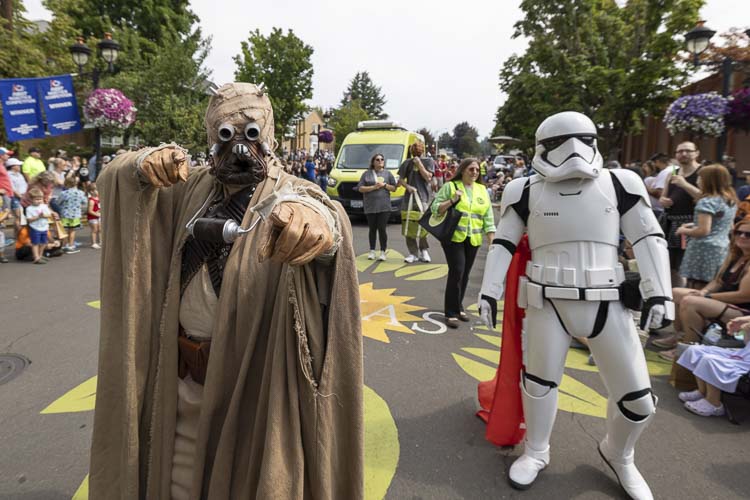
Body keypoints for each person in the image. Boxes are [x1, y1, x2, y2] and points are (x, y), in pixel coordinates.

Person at [88, 82, 363, 499]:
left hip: (252, 391)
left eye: (250, 133)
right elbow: (116, 177)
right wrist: (145, 163)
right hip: (183, 391)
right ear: (211, 136)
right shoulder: (188, 189)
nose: (238, 147)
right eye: (226, 133)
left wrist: (314, 224)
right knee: (177, 486)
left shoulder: (289, 193)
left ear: (266, 137)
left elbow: (322, 212)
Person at [479, 112, 673, 500]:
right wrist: (489, 290)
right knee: (538, 384)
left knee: (638, 401)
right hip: (546, 300)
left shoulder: (620, 182)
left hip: (608, 302)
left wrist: (660, 292)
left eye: (582, 140)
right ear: (541, 148)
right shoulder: (524, 190)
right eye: (559, 143)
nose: (573, 152)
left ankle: (619, 454)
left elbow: (649, 236)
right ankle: (537, 450)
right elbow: (502, 241)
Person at [654, 217, 750, 359]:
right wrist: (703, 291)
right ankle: (679, 336)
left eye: (748, 234)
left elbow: (743, 295)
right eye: (738, 232)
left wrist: (707, 297)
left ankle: (689, 347)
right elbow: (718, 281)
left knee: (690, 302)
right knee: (676, 292)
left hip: (743, 313)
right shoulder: (736, 256)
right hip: (726, 304)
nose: (742, 236)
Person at [432, 158, 495, 328]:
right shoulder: (451, 187)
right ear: (462, 170)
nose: (474, 172)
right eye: (471, 169)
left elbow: (488, 217)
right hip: (454, 238)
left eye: (476, 170)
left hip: (473, 238)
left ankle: (458, 307)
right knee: (457, 271)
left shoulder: (483, 190)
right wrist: (452, 200)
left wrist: (491, 241)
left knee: (465, 273)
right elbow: (435, 208)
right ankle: (450, 312)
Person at [674, 164, 737, 289]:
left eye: (700, 177)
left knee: (694, 285)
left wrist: (683, 230)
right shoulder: (730, 200)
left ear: (708, 181)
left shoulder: (706, 202)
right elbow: (727, 225)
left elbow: (703, 230)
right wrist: (694, 224)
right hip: (722, 247)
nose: (697, 181)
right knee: (712, 285)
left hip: (702, 249)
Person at [677, 314, 750, 417]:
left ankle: (714, 403)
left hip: (746, 361)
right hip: (743, 353)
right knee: (696, 350)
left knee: (710, 360)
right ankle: (703, 391)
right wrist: (743, 323)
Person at [660, 142, 702, 285]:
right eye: (680, 151)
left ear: (696, 153)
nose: (683, 154)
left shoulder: (702, 172)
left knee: (685, 266)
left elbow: (706, 197)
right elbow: (663, 197)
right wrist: (664, 200)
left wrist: (684, 184)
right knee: (670, 265)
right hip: (671, 224)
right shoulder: (672, 173)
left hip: (692, 224)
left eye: (688, 151)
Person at [397, 140, 434, 263]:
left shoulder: (428, 161)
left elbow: (428, 177)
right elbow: (400, 179)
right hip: (409, 198)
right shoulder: (407, 163)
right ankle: (413, 253)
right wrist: (407, 187)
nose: (416, 152)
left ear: (422, 150)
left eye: (417, 149)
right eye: (414, 150)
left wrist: (419, 164)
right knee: (408, 224)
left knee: (423, 224)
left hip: (423, 198)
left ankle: (424, 250)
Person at [356, 153, 396, 261]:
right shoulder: (366, 174)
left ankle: (383, 251)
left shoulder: (388, 174)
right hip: (370, 206)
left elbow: (394, 188)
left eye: (382, 159)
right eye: (377, 160)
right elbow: (360, 188)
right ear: (373, 162)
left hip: (384, 206)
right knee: (372, 229)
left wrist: (385, 186)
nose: (380, 161)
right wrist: (374, 187)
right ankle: (372, 251)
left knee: (382, 229)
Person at [57, 176, 88, 253]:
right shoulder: (80, 193)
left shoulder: (63, 193)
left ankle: (64, 245)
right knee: (72, 231)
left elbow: (58, 202)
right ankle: (70, 245)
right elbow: (84, 202)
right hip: (75, 214)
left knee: (64, 230)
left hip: (65, 214)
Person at [24, 187, 52, 264]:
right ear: (31, 199)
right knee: (35, 243)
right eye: (36, 199)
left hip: (44, 227)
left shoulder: (44, 206)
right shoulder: (29, 208)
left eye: (40, 199)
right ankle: (36, 257)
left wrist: (44, 215)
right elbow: (29, 220)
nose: (39, 201)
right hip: (35, 228)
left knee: (44, 242)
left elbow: (49, 215)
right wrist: (38, 216)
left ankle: (40, 255)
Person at [5, 157, 27, 233]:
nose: (19, 166)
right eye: (18, 165)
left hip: (23, 196)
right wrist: (21, 197)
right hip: (15, 198)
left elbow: (25, 185)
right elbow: (12, 189)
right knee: (18, 216)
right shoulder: (8, 175)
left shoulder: (19, 174)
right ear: (13, 166)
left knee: (22, 217)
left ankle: (20, 235)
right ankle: (18, 235)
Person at [87, 183, 101, 249]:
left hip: (99, 217)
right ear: (91, 192)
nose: (99, 191)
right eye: (97, 190)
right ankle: (94, 243)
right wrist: (97, 214)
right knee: (94, 230)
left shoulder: (98, 198)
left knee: (100, 229)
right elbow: (90, 211)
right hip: (93, 218)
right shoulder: (91, 200)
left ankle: (101, 242)